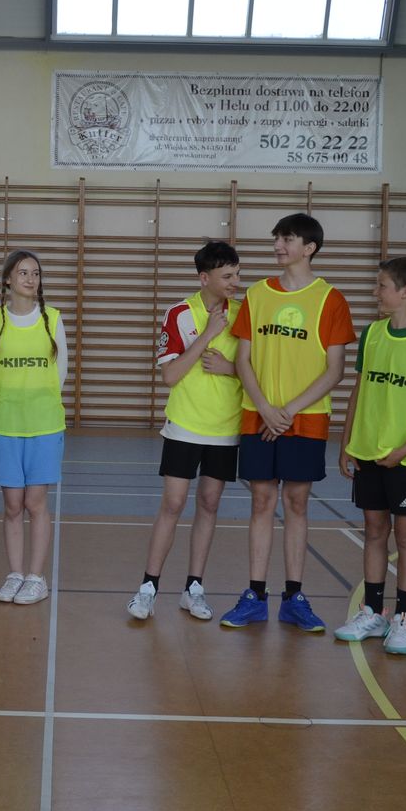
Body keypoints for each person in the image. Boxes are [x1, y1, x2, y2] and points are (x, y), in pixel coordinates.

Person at [221, 213, 354, 632]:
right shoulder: (257, 294)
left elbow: (335, 369)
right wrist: (265, 407)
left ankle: (294, 597)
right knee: (261, 502)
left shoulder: (330, 299)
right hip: (257, 415)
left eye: (287, 239)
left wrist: (287, 411)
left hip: (306, 419)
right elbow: (243, 359)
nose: (278, 245)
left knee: (297, 504)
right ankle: (254, 596)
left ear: (309, 248)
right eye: (277, 238)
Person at [334, 258, 406, 655]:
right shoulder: (372, 334)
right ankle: (372, 612)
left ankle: (403, 618)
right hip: (368, 450)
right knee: (373, 530)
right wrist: (347, 441)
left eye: (381, 286)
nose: (375, 293)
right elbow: (359, 389)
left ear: (405, 292)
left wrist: (404, 450)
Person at [126, 240, 243, 622]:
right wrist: (207, 335)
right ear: (204, 278)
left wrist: (230, 368)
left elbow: (254, 371)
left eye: (237, 274)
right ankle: (148, 588)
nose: (235, 282)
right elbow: (170, 375)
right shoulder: (179, 314)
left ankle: (194, 588)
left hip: (225, 429)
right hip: (184, 426)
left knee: (209, 504)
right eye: (227, 276)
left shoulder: (244, 315)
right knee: (173, 504)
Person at [0, 250, 68, 606]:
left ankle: (35, 577)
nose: (31, 279)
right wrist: (5, 408)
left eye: (36, 273)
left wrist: (38, 405)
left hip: (44, 425)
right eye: (23, 273)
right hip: (6, 425)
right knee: (12, 504)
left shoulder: (52, 319)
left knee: (35, 502)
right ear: (8, 279)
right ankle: (15, 573)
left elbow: (61, 372)